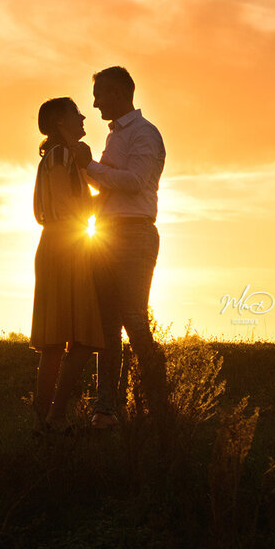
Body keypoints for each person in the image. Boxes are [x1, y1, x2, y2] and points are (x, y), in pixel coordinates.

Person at [73, 66, 172, 433]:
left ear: (118, 93)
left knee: (132, 317)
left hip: (133, 235)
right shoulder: (116, 137)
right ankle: (106, 409)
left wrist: (89, 166)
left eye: (100, 94)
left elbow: (134, 182)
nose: (95, 102)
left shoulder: (145, 134)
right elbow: (110, 186)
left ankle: (160, 403)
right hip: (109, 234)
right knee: (107, 324)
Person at [30, 97, 104, 434]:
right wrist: (104, 205)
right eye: (76, 114)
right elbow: (64, 202)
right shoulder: (60, 155)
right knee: (81, 338)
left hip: (57, 245)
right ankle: (54, 417)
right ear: (61, 122)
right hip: (66, 245)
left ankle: (44, 420)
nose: (83, 117)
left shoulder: (58, 155)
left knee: (55, 341)